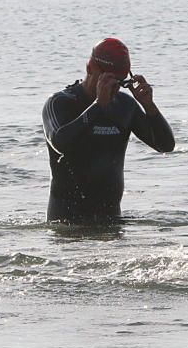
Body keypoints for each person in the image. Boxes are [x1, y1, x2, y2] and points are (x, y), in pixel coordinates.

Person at [42, 38, 176, 224]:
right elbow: (60, 143)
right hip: (67, 223)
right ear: (90, 68)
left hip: (111, 222)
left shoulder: (124, 105)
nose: (113, 88)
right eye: (108, 80)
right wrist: (98, 106)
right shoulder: (60, 103)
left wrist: (149, 106)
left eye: (119, 82)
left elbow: (165, 145)